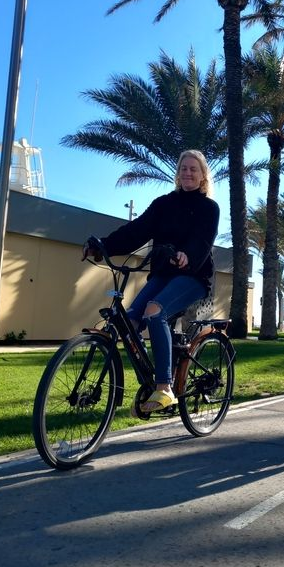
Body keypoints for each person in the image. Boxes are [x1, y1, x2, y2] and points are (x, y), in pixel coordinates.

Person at [83, 149, 219, 412]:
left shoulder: (208, 208)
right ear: (178, 174)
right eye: (184, 168)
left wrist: (186, 255)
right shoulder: (163, 204)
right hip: (162, 274)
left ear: (203, 176)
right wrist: (103, 246)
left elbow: (202, 242)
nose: (188, 172)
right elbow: (136, 231)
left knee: (154, 311)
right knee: (130, 322)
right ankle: (150, 382)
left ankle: (164, 387)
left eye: (194, 169)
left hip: (193, 276)